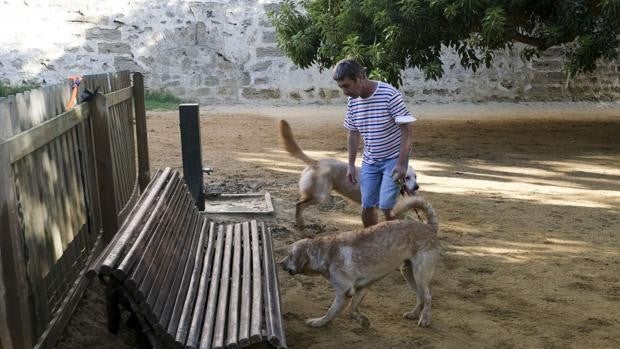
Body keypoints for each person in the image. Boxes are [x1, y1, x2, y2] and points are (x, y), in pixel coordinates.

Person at [333, 58, 416, 227]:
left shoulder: (389, 94)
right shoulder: (352, 101)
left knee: (386, 206)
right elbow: (353, 133)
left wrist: (401, 164)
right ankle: (371, 241)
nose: (345, 92)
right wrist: (350, 164)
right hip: (370, 160)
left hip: (393, 159)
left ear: (360, 77)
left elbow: (406, 129)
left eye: (347, 86)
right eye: (341, 87)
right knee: (367, 206)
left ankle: (401, 240)